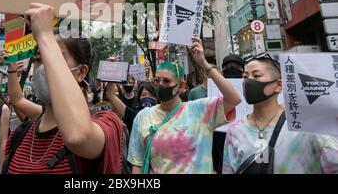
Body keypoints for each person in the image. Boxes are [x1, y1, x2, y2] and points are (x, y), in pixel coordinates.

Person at [1, 3, 125, 174]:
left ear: (81, 72)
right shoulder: (23, 132)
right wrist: (12, 68)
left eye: (56, 57)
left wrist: (45, 35)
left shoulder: (105, 124)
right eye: (38, 59)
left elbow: (78, 137)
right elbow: (18, 100)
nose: (44, 66)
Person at [127, 37, 241, 174]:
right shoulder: (143, 117)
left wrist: (203, 63)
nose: (160, 85)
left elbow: (234, 99)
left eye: (167, 81)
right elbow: (138, 163)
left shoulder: (200, 110)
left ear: (181, 85)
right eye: (157, 80)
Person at [223, 53, 338, 174]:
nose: (248, 81)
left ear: (278, 85)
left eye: (256, 75)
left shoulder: (305, 125)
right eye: (245, 77)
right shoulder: (235, 131)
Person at [212, 54, 245, 174]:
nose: (232, 70)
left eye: (236, 67)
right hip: (220, 134)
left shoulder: (249, 86)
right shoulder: (214, 88)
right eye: (228, 67)